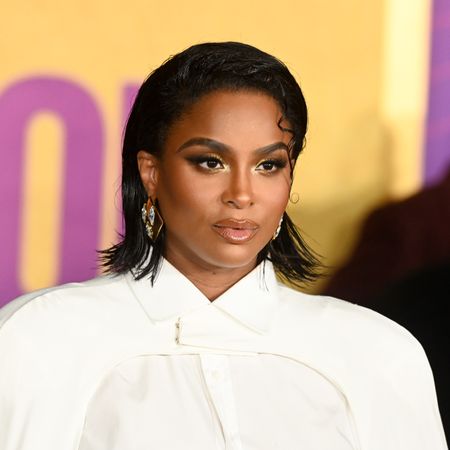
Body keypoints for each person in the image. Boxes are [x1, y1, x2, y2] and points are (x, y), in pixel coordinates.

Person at [0, 42, 446, 450]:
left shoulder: (377, 351)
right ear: (151, 173)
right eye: (210, 162)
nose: (242, 193)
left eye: (268, 165)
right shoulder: (40, 337)